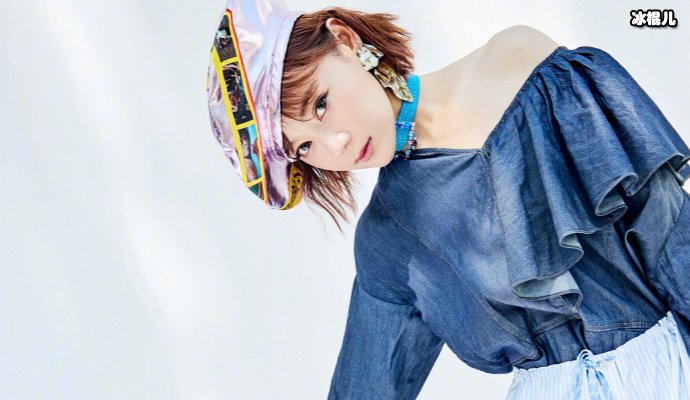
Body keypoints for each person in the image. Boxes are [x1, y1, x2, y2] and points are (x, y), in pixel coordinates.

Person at [206, 1, 690, 398]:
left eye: (320, 103)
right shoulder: (388, 237)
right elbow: (366, 387)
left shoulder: (523, 66)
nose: (337, 145)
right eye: (304, 148)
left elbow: (669, 235)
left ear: (346, 39)